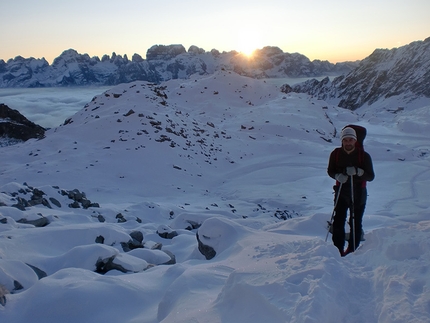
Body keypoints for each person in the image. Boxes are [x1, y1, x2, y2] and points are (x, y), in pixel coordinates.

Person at [327, 127, 375, 257]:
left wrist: (359, 172)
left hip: (359, 191)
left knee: (355, 220)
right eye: (345, 140)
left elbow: (371, 176)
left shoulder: (363, 156)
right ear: (342, 141)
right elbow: (330, 170)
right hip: (342, 191)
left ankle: (352, 249)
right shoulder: (335, 154)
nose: (348, 143)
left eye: (351, 140)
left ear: (355, 140)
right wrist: (337, 176)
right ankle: (338, 249)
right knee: (338, 220)